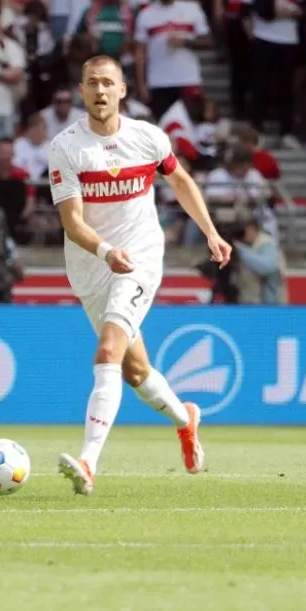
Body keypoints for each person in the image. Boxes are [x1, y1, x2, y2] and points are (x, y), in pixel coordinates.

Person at [49, 55, 231, 496]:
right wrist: (105, 251)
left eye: (107, 83)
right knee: (135, 372)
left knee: (108, 349)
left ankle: (89, 462)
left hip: (140, 257)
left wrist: (210, 232)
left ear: (122, 90)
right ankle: (185, 418)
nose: (100, 90)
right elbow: (72, 222)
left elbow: (181, 181)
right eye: (92, 83)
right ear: (81, 90)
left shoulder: (148, 137)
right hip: (93, 264)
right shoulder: (66, 147)